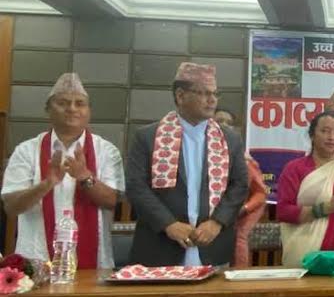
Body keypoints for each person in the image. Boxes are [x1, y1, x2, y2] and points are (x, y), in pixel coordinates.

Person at [126, 63, 248, 267]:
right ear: (181, 96)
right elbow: (136, 187)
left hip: (212, 246)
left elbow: (240, 186)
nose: (212, 100)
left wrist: (216, 222)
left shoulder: (230, 139)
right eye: (204, 93)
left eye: (215, 93)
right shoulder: (147, 137)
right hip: (160, 247)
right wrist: (168, 224)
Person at [1, 73, 124, 269]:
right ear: (48, 109)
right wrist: (46, 184)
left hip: (95, 266)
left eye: (79, 103)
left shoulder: (107, 151)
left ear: (89, 111)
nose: (72, 108)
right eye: (63, 103)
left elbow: (111, 201)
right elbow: (11, 207)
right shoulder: (26, 151)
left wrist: (84, 176)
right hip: (36, 264)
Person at [276, 111, 334, 267]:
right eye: (325, 131)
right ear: (312, 135)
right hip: (303, 254)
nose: (331, 137)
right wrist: (328, 207)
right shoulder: (294, 169)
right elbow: (284, 211)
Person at [214, 108, 268, 267]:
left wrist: (244, 208)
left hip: (246, 208)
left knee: (238, 235)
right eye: (219, 121)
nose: (224, 125)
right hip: (218, 208)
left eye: (229, 122)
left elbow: (260, 193)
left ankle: (240, 274)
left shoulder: (244, 160)